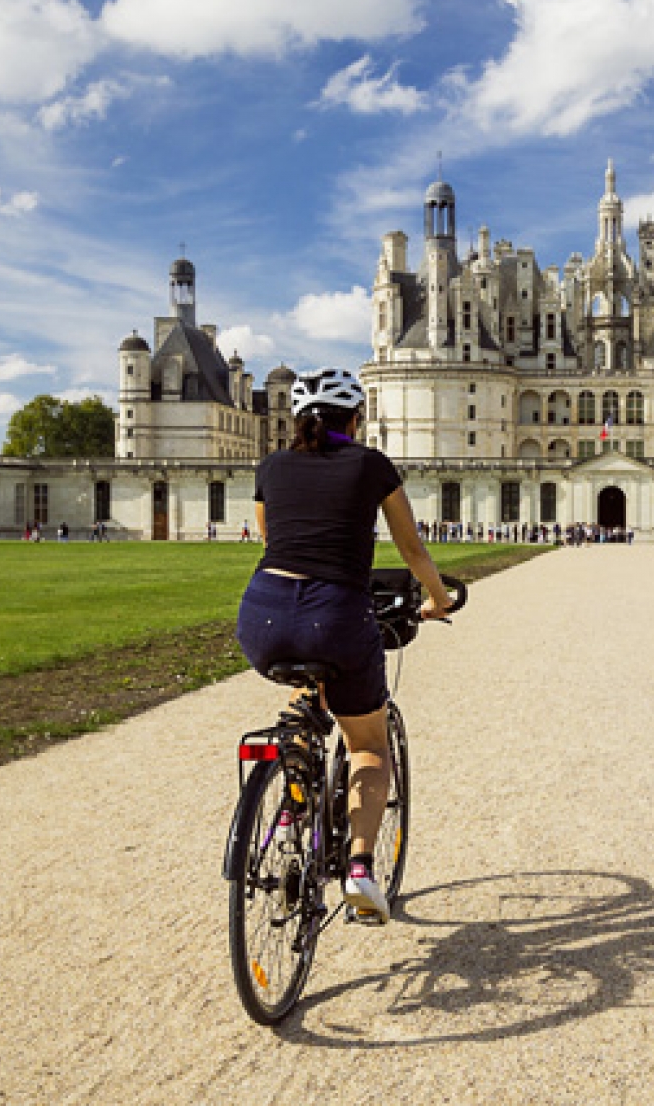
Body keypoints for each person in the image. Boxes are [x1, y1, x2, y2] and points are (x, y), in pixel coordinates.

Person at [235, 367, 455, 925]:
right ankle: (360, 868)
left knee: (304, 698)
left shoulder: (270, 466)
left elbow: (271, 538)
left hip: (261, 615)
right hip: (334, 614)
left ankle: (289, 809)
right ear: (356, 420)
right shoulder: (370, 464)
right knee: (369, 747)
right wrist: (438, 598)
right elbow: (411, 547)